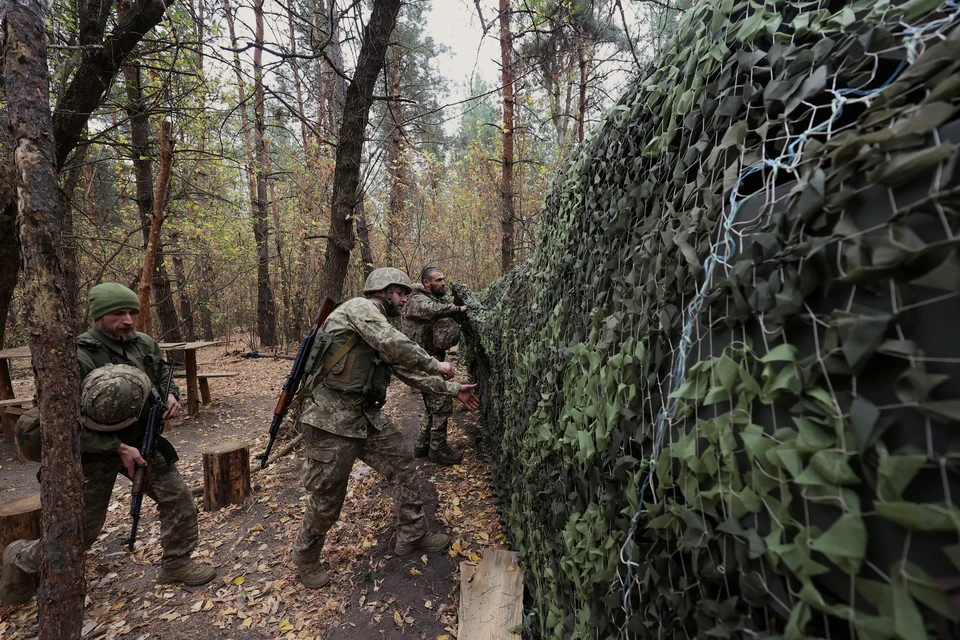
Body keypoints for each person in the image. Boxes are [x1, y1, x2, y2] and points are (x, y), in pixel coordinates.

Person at [0, 283, 217, 606]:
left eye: (132, 313)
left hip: (142, 441)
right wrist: (114, 446)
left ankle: (176, 563)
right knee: (81, 531)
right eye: (119, 314)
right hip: (91, 452)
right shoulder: (77, 354)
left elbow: (161, 378)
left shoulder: (144, 344)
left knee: (179, 500)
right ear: (99, 316)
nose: (128, 320)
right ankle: (20, 559)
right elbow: (56, 420)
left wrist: (172, 396)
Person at [291, 267, 480, 589]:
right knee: (327, 499)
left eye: (407, 293)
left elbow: (404, 369)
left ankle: (412, 533)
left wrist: (452, 389)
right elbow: (396, 346)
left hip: (364, 416)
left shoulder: (379, 322)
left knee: (403, 466)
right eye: (401, 293)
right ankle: (306, 558)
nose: (406, 299)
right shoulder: (360, 309)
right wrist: (437, 364)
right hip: (329, 422)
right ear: (384, 290)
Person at [402, 267, 468, 465]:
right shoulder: (416, 300)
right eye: (439, 280)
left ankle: (422, 445)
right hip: (423, 362)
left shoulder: (435, 299)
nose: (443, 283)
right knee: (441, 403)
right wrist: (456, 309)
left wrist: (457, 304)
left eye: (444, 279)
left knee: (432, 405)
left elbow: (442, 308)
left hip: (431, 360)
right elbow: (431, 309)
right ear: (426, 283)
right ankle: (438, 449)